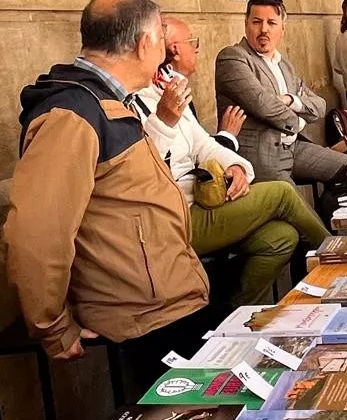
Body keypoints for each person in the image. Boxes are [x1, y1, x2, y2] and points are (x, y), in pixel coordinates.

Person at [4, 0, 209, 363]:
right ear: (145, 44)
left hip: (164, 302)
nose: (167, 51)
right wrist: (53, 327)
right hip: (138, 317)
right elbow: (37, 231)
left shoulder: (109, 100)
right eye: (162, 39)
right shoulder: (73, 114)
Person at [133, 48, 329, 308]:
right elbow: (140, 175)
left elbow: (203, 144)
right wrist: (165, 122)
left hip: (205, 196)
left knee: (281, 237)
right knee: (282, 192)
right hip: (174, 216)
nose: (191, 50)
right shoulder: (126, 100)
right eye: (164, 43)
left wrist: (235, 166)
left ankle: (237, 316)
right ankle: (341, 260)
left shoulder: (164, 87)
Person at [216, 0, 347, 192]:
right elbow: (264, 105)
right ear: (246, 24)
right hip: (264, 158)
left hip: (295, 149)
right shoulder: (233, 58)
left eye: (271, 23)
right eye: (256, 22)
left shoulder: (283, 64)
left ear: (282, 29)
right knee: (303, 216)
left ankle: (331, 214)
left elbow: (319, 105)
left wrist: (291, 100)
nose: (263, 30)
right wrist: (299, 121)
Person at [159, 16, 246, 151]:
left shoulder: (176, 85)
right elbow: (184, 156)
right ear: (176, 50)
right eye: (191, 42)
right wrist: (227, 136)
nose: (196, 49)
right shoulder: (160, 93)